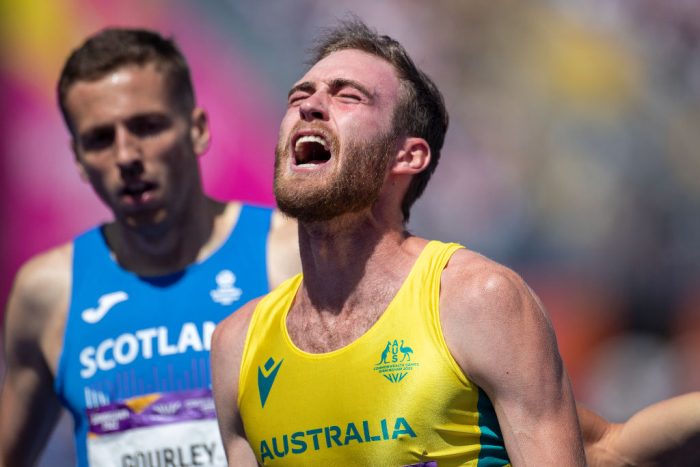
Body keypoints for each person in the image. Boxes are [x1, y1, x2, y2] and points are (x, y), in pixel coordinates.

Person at [210, 18, 586, 466]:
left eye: (348, 95)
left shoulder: (478, 301)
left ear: (407, 155)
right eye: (299, 96)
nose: (310, 106)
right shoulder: (237, 345)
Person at [0, 28, 299, 467]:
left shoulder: (289, 255)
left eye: (146, 126)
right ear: (79, 159)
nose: (126, 155)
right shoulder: (49, 290)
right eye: (100, 138)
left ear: (197, 130)